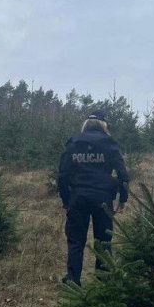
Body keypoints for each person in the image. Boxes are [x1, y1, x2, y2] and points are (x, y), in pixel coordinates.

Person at [57, 110, 130, 285]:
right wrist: (123, 199)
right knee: (104, 240)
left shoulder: (74, 143)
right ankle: (103, 280)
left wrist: (66, 201)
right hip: (103, 199)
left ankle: (73, 280)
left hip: (78, 197)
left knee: (75, 240)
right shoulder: (110, 143)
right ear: (104, 125)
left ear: (86, 124)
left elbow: (63, 175)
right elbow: (123, 174)